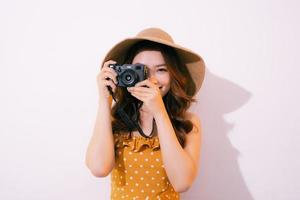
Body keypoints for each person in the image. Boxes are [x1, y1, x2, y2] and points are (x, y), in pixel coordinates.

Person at [85, 27, 206, 200]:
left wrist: (159, 112)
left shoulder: (189, 122)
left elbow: (182, 182)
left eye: (161, 69)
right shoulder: (116, 118)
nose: (151, 79)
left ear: (174, 75)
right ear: (126, 72)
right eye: (141, 69)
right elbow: (98, 168)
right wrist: (104, 100)